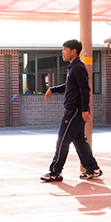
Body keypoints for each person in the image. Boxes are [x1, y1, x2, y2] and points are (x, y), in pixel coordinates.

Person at [40, 39, 102, 182]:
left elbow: (85, 89)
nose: (63, 52)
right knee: (79, 139)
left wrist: (85, 110)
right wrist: (52, 89)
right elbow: (69, 86)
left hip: (75, 111)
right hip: (74, 110)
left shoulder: (78, 67)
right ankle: (93, 169)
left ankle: (55, 172)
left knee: (62, 140)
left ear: (73, 51)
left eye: (65, 49)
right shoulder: (74, 67)